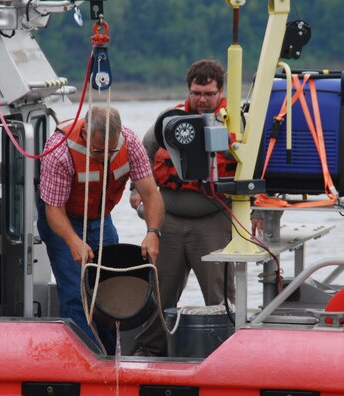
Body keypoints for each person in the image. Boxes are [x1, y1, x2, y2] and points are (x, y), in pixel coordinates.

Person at [129, 60, 236, 357]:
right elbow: (143, 151)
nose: (202, 99)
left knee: (219, 295)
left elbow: (258, 167)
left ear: (220, 92)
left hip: (213, 222)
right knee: (160, 291)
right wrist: (136, 189)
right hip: (169, 223)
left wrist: (257, 214)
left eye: (209, 94)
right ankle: (150, 350)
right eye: (196, 93)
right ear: (188, 90)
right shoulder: (170, 121)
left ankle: (225, 352)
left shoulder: (236, 122)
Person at [37, 106, 163, 355]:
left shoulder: (131, 143)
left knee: (106, 286)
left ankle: (108, 355)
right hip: (64, 220)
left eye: (111, 150)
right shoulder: (59, 152)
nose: (105, 156)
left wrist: (152, 232)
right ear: (84, 133)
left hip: (100, 219)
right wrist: (73, 240)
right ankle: (84, 359)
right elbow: (53, 210)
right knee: (76, 293)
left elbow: (150, 194)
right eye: (98, 151)